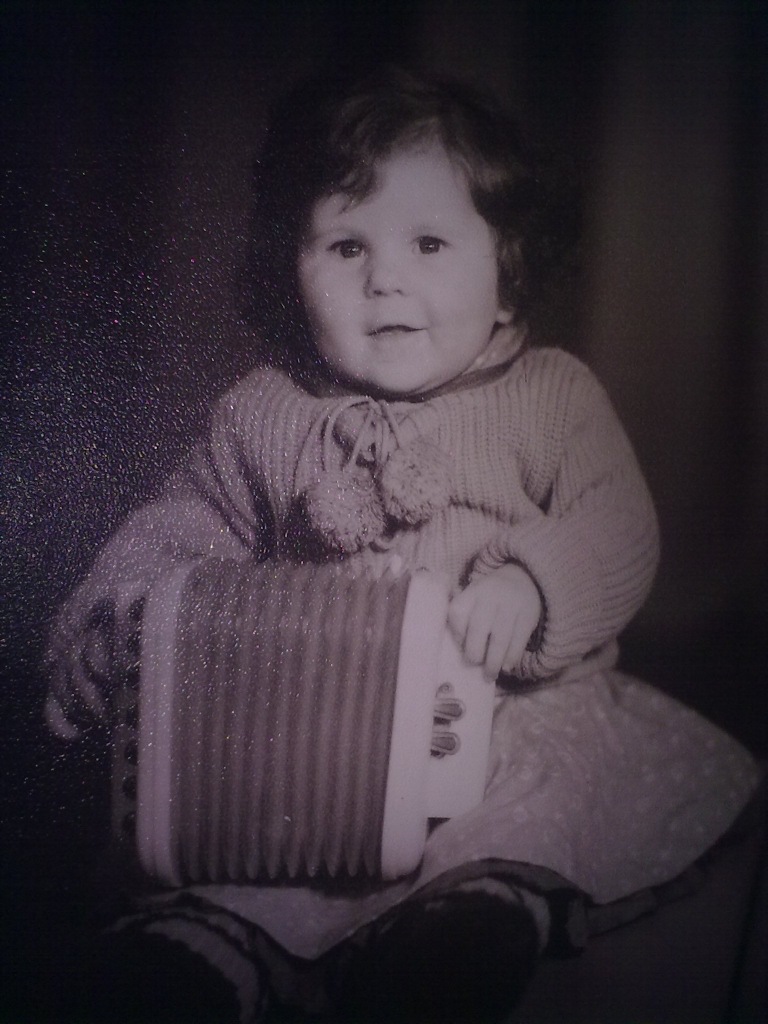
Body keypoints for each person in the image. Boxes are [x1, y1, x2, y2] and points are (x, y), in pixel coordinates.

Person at [45, 68, 759, 1024]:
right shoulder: (262, 413)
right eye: (346, 245)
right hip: (319, 735)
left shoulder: (551, 396)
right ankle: (207, 955)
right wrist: (116, 617)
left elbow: (617, 524)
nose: (384, 278)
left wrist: (536, 587)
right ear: (290, 269)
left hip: (510, 709)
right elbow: (180, 526)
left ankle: (470, 926)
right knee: (255, 835)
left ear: (507, 273)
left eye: (428, 243)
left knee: (530, 797)